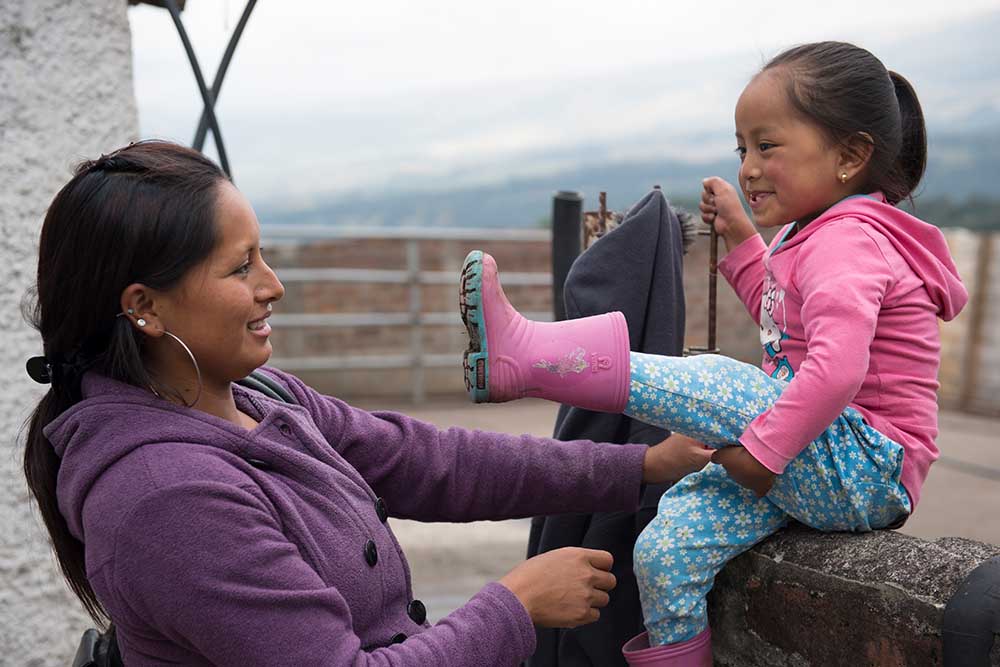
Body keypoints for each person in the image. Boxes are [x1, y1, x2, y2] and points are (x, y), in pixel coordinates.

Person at [21, 140, 717, 666]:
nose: (274, 285)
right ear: (143, 307)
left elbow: (431, 461)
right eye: (240, 266)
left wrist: (642, 463)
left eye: (263, 255)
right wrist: (517, 604)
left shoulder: (257, 399)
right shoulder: (165, 500)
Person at [458, 41, 968, 666]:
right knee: (667, 549)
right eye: (742, 148)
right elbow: (787, 324)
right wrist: (746, 241)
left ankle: (531, 358)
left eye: (768, 145)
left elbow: (836, 369)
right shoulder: (822, 236)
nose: (749, 167)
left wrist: (763, 449)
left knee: (719, 379)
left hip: (866, 461)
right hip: (821, 453)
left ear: (850, 156)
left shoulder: (851, 240)